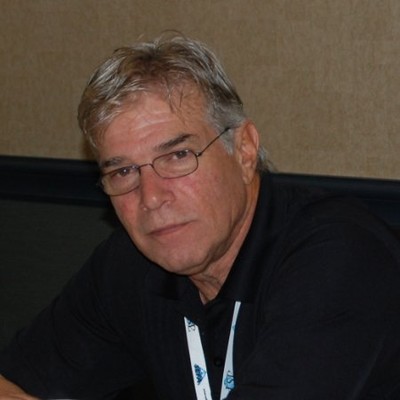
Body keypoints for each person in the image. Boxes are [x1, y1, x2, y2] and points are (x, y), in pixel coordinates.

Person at [1, 33, 400, 400]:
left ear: (243, 150)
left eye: (178, 155)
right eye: (123, 171)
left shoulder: (339, 257)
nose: (151, 197)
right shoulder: (132, 263)